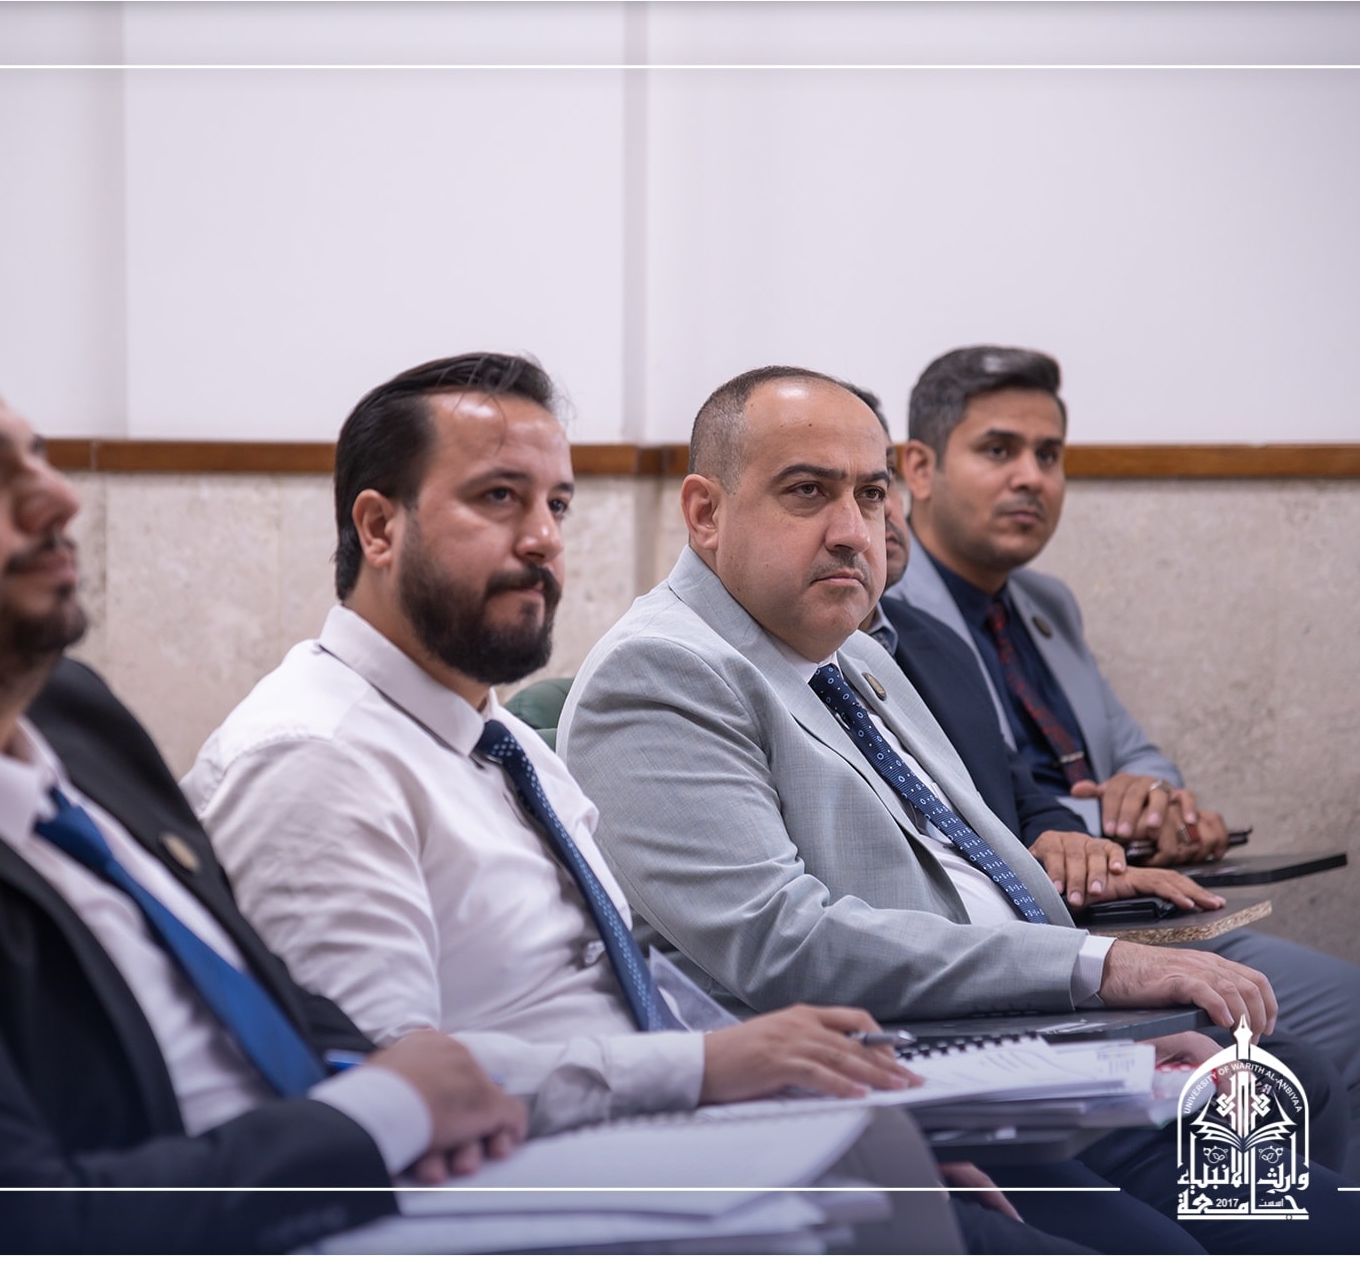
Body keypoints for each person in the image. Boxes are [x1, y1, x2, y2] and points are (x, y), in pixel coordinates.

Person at [183, 352, 1075, 1254]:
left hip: (675, 1160)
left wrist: (826, 1120)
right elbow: (382, 1093)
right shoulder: (316, 759)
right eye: (499, 499)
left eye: (557, 505)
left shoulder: (497, 738)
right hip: (557, 1214)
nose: (542, 539)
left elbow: (633, 993)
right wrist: (708, 1075)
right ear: (380, 527)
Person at [560, 364, 1360, 1252]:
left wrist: (1110, 1041)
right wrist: (1097, 969)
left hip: (1021, 1057)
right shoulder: (663, 673)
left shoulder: (851, 651)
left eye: (869, 494)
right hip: (898, 1091)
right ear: (705, 512)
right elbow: (787, 946)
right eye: (807, 493)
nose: (853, 532)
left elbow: (981, 860)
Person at [0, 344, 526, 1253]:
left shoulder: (72, 707)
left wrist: (397, 1083)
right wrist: (377, 1116)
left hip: (374, 1179)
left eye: (39, 458)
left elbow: (252, 977)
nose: (59, 499)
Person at [886, 344, 1360, 1188]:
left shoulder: (1043, 603)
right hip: (1043, 923)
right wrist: (1112, 821)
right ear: (918, 469)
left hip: (1138, 904)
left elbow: (1131, 748)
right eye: (999, 450)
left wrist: (1155, 796)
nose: (1031, 477)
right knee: (1347, 1039)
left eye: (1049, 455)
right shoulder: (880, 605)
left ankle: (1318, 1230)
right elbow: (966, 800)